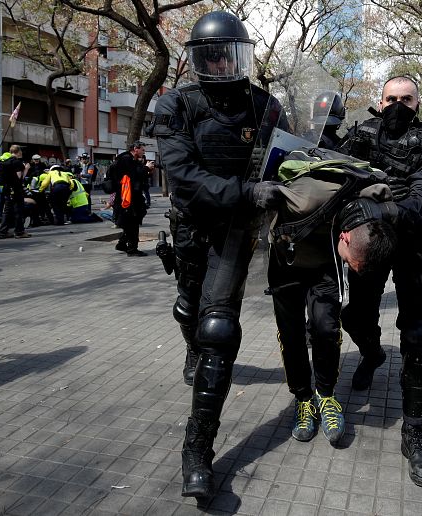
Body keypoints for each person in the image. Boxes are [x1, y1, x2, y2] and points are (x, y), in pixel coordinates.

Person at [150, 10, 288, 499]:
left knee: (219, 330)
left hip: (236, 233)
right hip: (193, 228)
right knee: (187, 307)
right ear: (199, 59)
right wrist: (246, 192)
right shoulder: (175, 105)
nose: (222, 64)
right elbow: (184, 178)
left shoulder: (265, 106)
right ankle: (192, 345)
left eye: (230, 55)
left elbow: (287, 160)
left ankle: (197, 450)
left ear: (242, 56)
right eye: (212, 56)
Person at [336, 76, 422, 488]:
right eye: (390, 98)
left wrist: (389, 209)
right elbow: (335, 176)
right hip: (369, 240)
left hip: (414, 243)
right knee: (356, 316)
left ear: (417, 103)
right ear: (380, 101)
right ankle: (372, 354)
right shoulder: (361, 134)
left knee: (420, 334)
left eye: (405, 99)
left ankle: (414, 430)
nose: (397, 105)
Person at [268, 158, 398, 445]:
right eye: (350, 262)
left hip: (324, 265)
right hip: (285, 261)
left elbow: (384, 191)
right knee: (291, 335)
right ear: (346, 238)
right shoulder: (304, 199)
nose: (349, 267)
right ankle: (303, 399)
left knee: (326, 329)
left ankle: (326, 396)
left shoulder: (367, 206)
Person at [109, 141, 149, 256]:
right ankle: (132, 249)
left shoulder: (129, 159)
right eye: (142, 150)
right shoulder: (126, 160)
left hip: (130, 197)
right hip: (127, 197)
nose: (143, 152)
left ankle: (122, 244)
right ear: (136, 149)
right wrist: (146, 168)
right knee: (132, 223)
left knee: (130, 222)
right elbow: (134, 176)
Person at [0, 145, 31, 239]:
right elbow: (19, 178)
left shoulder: (5, 162)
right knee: (18, 210)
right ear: (19, 152)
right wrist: (26, 169)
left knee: (7, 211)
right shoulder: (17, 162)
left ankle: (3, 232)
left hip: (7, 189)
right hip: (16, 190)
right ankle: (19, 232)